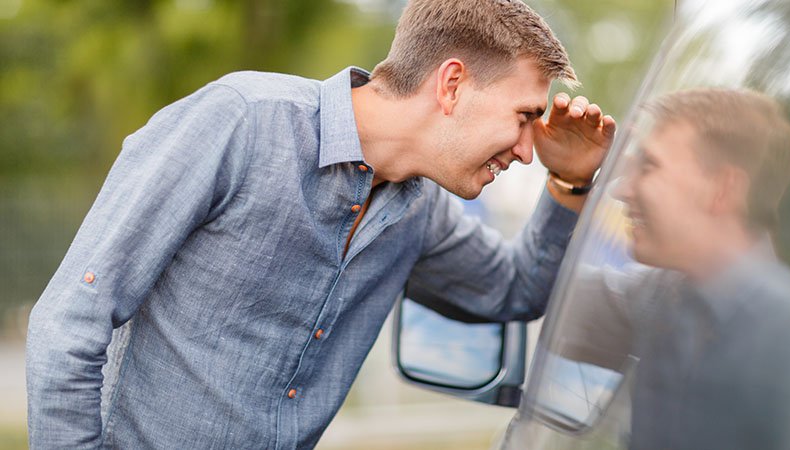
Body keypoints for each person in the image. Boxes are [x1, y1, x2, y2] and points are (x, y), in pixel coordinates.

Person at [25, 0, 615, 448]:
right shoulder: (240, 123)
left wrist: (571, 182)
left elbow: (514, 290)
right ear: (452, 84)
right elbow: (69, 323)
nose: (525, 150)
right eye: (523, 118)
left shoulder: (419, 209)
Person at [553, 88, 790, 449]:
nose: (621, 190)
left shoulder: (786, 334)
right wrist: (570, 182)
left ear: (721, 189)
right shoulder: (664, 295)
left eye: (649, 166)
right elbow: (537, 295)